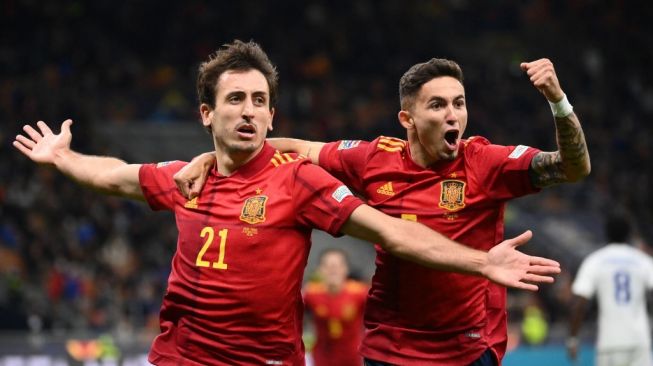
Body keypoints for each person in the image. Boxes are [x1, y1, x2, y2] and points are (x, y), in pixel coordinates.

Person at [12, 41, 561, 365]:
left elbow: (391, 231)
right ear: (207, 114)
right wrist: (64, 158)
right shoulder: (187, 178)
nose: (249, 110)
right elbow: (115, 176)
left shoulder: (299, 181)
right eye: (235, 99)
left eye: (260, 101)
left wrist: (480, 260)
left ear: (274, 117)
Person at [176, 57, 590, 365]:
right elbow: (290, 147)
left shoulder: (486, 162)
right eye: (438, 106)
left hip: (469, 347)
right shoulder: (373, 158)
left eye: (459, 104)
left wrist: (558, 101)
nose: (453, 115)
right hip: (391, 348)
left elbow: (574, 168)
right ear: (407, 118)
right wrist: (209, 158)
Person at [567, 214, 653, 366]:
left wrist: (573, 339)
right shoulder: (643, 260)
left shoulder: (595, 260)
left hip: (610, 341)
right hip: (639, 340)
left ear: (606, 233)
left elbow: (579, 303)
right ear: (629, 234)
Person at [303, 248, 368, 366]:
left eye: (337, 266)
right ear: (320, 270)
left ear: (346, 269)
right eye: (328, 266)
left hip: (353, 358)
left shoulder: (359, 292)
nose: (333, 270)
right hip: (321, 358)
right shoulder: (311, 293)